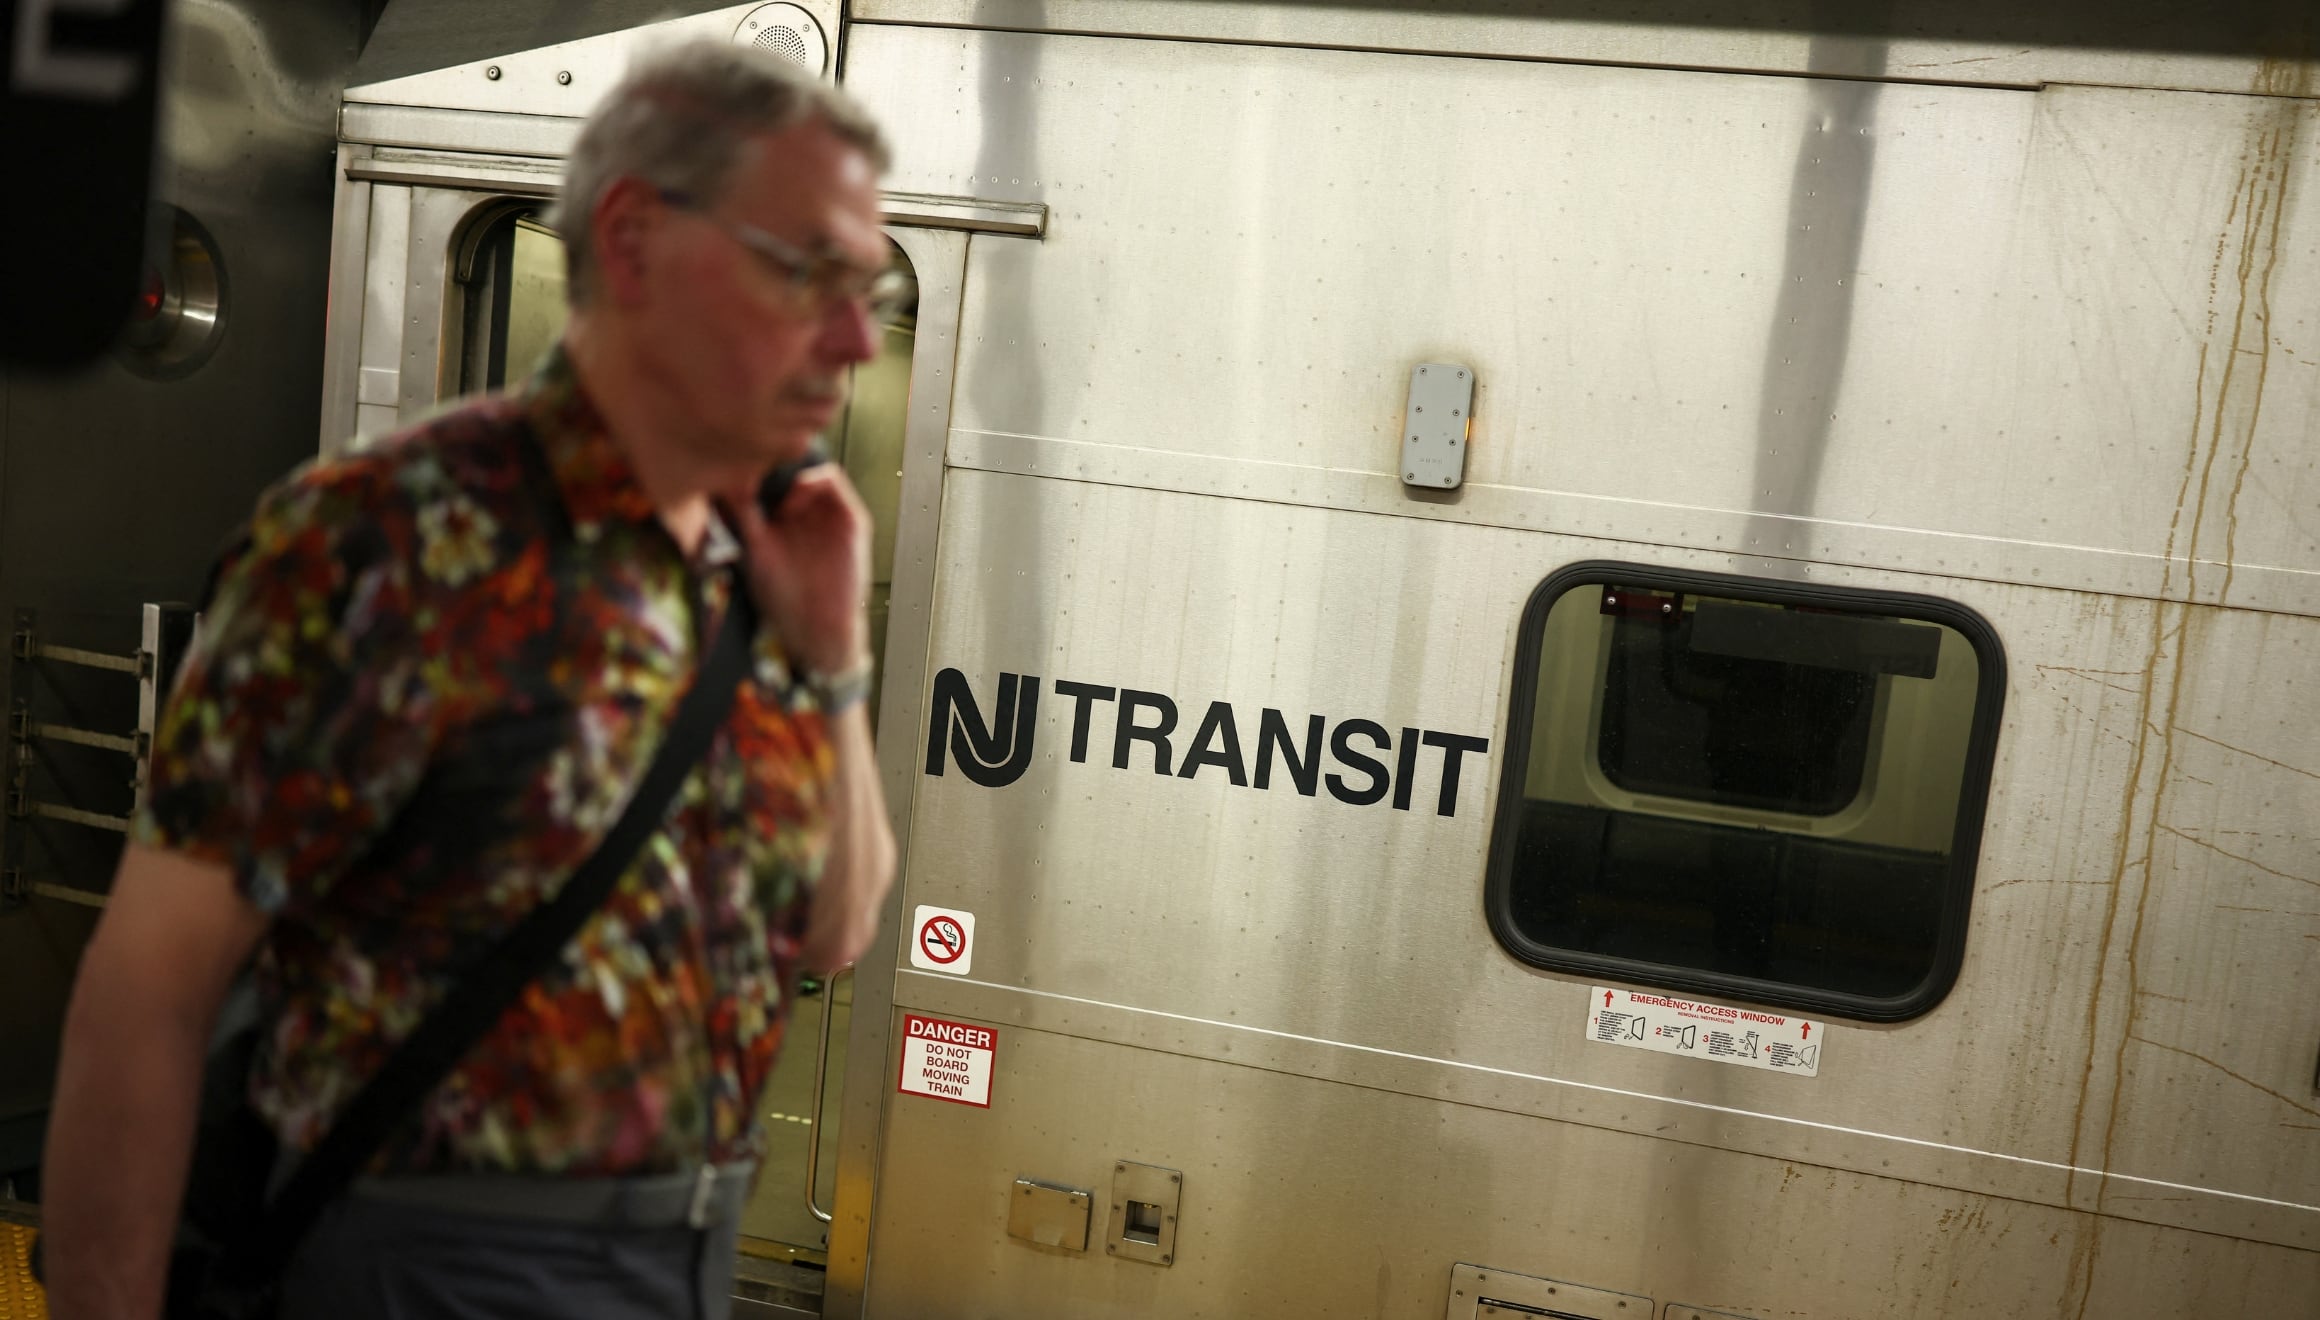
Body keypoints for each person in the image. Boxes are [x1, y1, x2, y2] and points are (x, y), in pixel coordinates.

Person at [40, 39, 899, 1320]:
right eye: (805, 272)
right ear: (634, 240)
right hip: (424, 1261)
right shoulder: (388, 544)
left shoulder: (754, 571)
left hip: (686, 1257)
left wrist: (834, 665)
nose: (849, 337)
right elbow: (147, 995)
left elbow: (832, 930)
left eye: (867, 288)